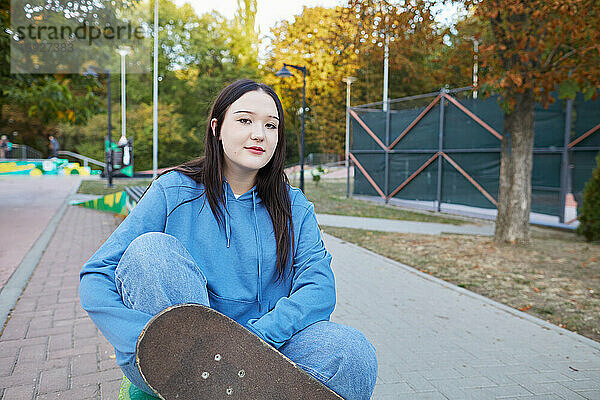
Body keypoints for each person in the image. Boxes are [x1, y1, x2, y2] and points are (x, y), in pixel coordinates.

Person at [79, 79, 378, 399]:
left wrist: (250, 342)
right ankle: (200, 386)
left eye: (271, 125)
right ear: (216, 128)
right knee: (150, 250)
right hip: (178, 359)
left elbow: (318, 289)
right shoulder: (172, 190)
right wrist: (140, 337)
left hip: (263, 352)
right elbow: (97, 274)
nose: (259, 134)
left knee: (352, 353)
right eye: (245, 120)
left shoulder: (294, 207)